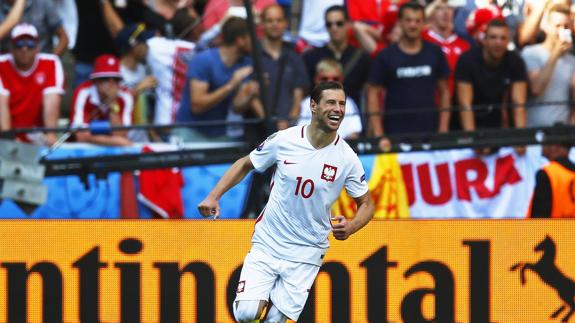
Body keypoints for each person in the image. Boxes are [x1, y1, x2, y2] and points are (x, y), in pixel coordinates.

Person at [198, 81, 374, 322]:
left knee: (275, 321)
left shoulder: (347, 159)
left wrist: (352, 226)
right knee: (247, 313)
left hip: (307, 250)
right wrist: (213, 196)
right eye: (331, 102)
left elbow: (367, 203)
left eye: (342, 104)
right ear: (313, 106)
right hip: (269, 240)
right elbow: (245, 163)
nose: (338, 109)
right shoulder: (284, 140)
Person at [367, 2, 450, 141]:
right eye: (408, 20)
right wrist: (379, 134)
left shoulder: (435, 53)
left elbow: (445, 92)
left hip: (430, 133)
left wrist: (443, 129)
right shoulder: (386, 56)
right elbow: (373, 94)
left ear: (424, 23)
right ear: (400, 22)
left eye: (417, 21)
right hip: (394, 134)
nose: (413, 25)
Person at [176, 16, 263, 141]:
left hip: (220, 133)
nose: (256, 41)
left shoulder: (245, 63)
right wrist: (231, 85)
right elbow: (197, 106)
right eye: (252, 37)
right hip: (191, 131)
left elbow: (236, 107)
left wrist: (251, 92)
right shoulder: (204, 60)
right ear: (240, 40)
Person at [455, 18, 528, 155]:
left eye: (503, 38)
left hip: (498, 123)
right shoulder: (467, 60)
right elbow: (465, 104)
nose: (498, 42)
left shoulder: (515, 61)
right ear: (484, 40)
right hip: (467, 123)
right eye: (493, 37)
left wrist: (521, 138)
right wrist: (472, 140)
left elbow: (519, 103)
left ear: (508, 41)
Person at [0, 23, 64, 145]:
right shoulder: (1, 64)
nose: (24, 49)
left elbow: (52, 100)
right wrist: (9, 140)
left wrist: (50, 135)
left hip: (38, 135)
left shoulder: (51, 63)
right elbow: (1, 103)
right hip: (5, 135)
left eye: (30, 44)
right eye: (19, 44)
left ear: (37, 47)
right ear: (12, 48)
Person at [303, 5, 371, 106]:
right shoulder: (311, 57)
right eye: (329, 24)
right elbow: (306, 92)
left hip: (351, 117)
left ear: (348, 24)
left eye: (339, 23)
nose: (334, 28)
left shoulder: (362, 58)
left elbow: (368, 93)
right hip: (321, 116)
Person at [521, 4, 575, 127]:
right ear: (546, 26)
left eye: (566, 26)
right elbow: (536, 89)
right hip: (535, 132)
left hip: (562, 135)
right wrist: (555, 54)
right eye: (557, 26)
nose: (562, 31)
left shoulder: (572, 61)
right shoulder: (531, 53)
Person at [260, 4, 309, 130]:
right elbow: (251, 96)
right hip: (258, 129)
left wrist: (289, 123)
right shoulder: (253, 55)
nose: (274, 24)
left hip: (288, 127)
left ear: (285, 23)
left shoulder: (294, 55)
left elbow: (298, 94)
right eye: (269, 20)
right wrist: (269, 121)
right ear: (262, 24)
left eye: (278, 20)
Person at [69, 54, 133, 146]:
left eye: (116, 79)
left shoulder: (126, 96)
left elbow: (121, 135)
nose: (111, 84)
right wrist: (113, 141)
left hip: (114, 152)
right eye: (105, 79)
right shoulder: (83, 92)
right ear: (95, 81)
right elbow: (81, 136)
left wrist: (112, 104)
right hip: (84, 150)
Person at [298, 58, 362, 139]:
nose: (330, 83)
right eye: (324, 79)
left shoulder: (348, 103)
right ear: (315, 79)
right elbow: (301, 133)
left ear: (342, 79)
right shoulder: (306, 103)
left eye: (335, 79)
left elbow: (354, 134)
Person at [528, 127, 575, 218]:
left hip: (554, 231)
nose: (543, 145)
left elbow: (540, 215)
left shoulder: (547, 173)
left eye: (546, 141)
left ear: (556, 146)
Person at [0, 0, 69, 55]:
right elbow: (13, 21)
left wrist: (50, 61)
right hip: (7, 67)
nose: (24, 49)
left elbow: (63, 38)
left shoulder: (42, 3)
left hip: (42, 62)